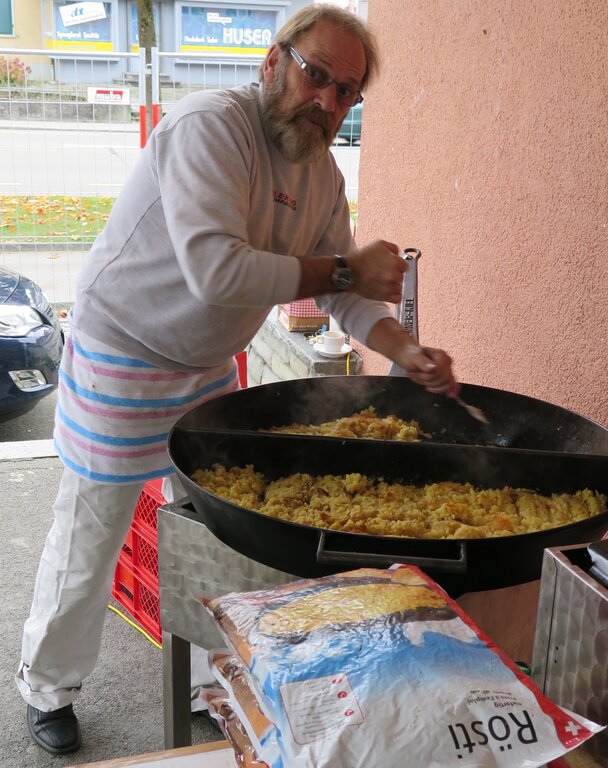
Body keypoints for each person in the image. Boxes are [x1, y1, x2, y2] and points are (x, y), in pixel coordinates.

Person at [16, 3, 459, 755]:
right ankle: (47, 684)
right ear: (272, 62)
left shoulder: (322, 174)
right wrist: (349, 266)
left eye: (345, 91)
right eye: (315, 74)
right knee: (93, 529)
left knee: (227, 523)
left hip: (205, 362)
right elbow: (218, 270)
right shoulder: (208, 128)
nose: (326, 101)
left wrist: (401, 348)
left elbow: (340, 294)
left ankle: (209, 674)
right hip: (123, 345)